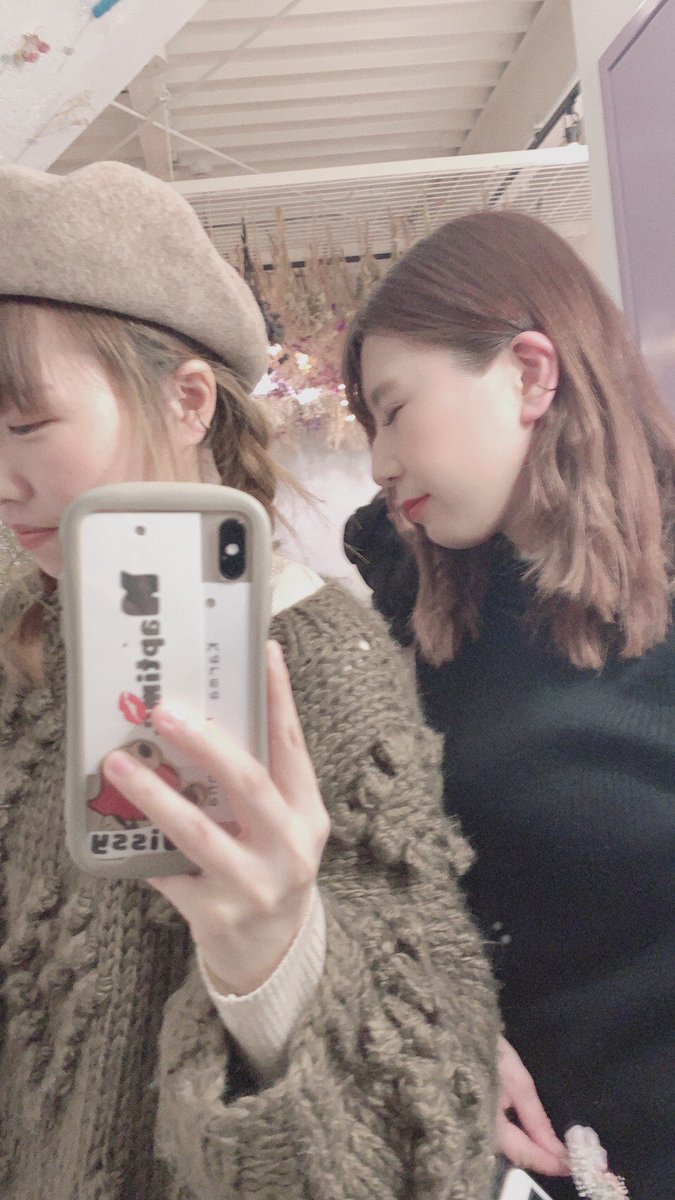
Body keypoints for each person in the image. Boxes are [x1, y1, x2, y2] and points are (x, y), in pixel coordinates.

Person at [0, 162, 500, 1200]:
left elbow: (425, 1146)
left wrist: (272, 956)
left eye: (24, 426)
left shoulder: (323, 663)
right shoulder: (18, 626)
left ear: (187, 400)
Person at [342, 210, 675, 1200]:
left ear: (531, 374)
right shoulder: (417, 612)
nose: (378, 462)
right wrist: (441, 1014)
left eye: (394, 411)